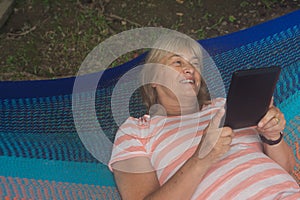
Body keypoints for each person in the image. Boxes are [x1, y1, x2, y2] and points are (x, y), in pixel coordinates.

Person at [109, 34, 300, 199]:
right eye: (177, 62)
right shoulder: (136, 131)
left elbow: (288, 169)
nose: (190, 69)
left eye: (194, 64)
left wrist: (272, 136)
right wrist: (202, 159)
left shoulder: (226, 105)